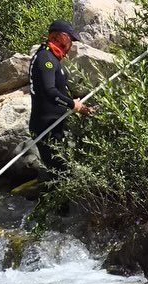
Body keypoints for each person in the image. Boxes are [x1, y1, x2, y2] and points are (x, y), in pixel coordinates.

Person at [28, 19, 91, 180]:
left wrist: (72, 101)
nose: (70, 45)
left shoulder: (51, 58)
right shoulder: (46, 58)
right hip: (46, 127)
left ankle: (54, 201)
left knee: (62, 171)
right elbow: (50, 92)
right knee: (60, 175)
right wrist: (73, 105)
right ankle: (52, 203)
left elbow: (55, 92)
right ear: (57, 37)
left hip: (53, 126)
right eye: (68, 39)